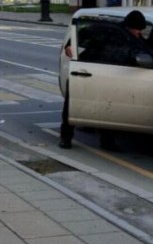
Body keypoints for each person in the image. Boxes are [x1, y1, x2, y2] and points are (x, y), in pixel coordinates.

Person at [59, 10, 148, 150]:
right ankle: (65, 138)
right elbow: (80, 35)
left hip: (110, 77)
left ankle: (107, 142)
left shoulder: (135, 38)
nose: (140, 33)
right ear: (130, 27)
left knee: (108, 108)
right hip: (88, 72)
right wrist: (68, 45)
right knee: (73, 106)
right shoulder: (106, 29)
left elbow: (145, 52)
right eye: (138, 30)